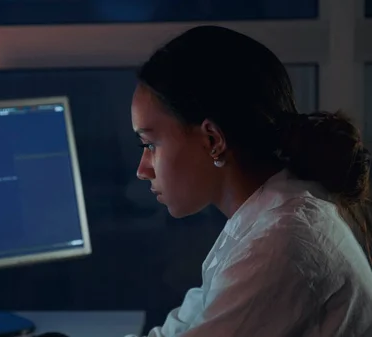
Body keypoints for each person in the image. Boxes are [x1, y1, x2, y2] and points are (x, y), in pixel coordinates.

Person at [128, 26, 372, 336]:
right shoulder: (264, 220)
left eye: (149, 145)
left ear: (213, 139)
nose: (142, 169)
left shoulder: (279, 247)